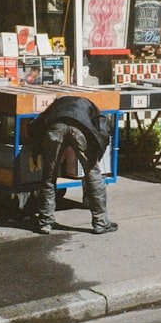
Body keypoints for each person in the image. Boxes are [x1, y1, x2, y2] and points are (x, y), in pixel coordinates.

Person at [26, 96, 118, 235]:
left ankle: (45, 223)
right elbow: (104, 130)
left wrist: (37, 152)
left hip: (55, 128)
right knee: (93, 173)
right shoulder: (92, 107)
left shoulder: (55, 105)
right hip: (80, 129)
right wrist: (97, 154)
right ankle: (101, 223)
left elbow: (36, 126)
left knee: (49, 177)